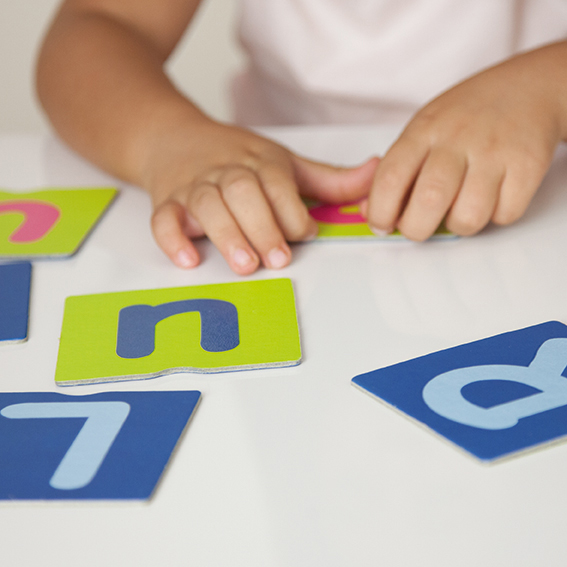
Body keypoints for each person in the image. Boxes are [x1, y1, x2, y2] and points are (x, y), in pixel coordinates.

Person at [36, 0, 567, 275]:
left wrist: (549, 87)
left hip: (543, 206)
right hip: (282, 212)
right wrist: (169, 141)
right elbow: (96, 24)